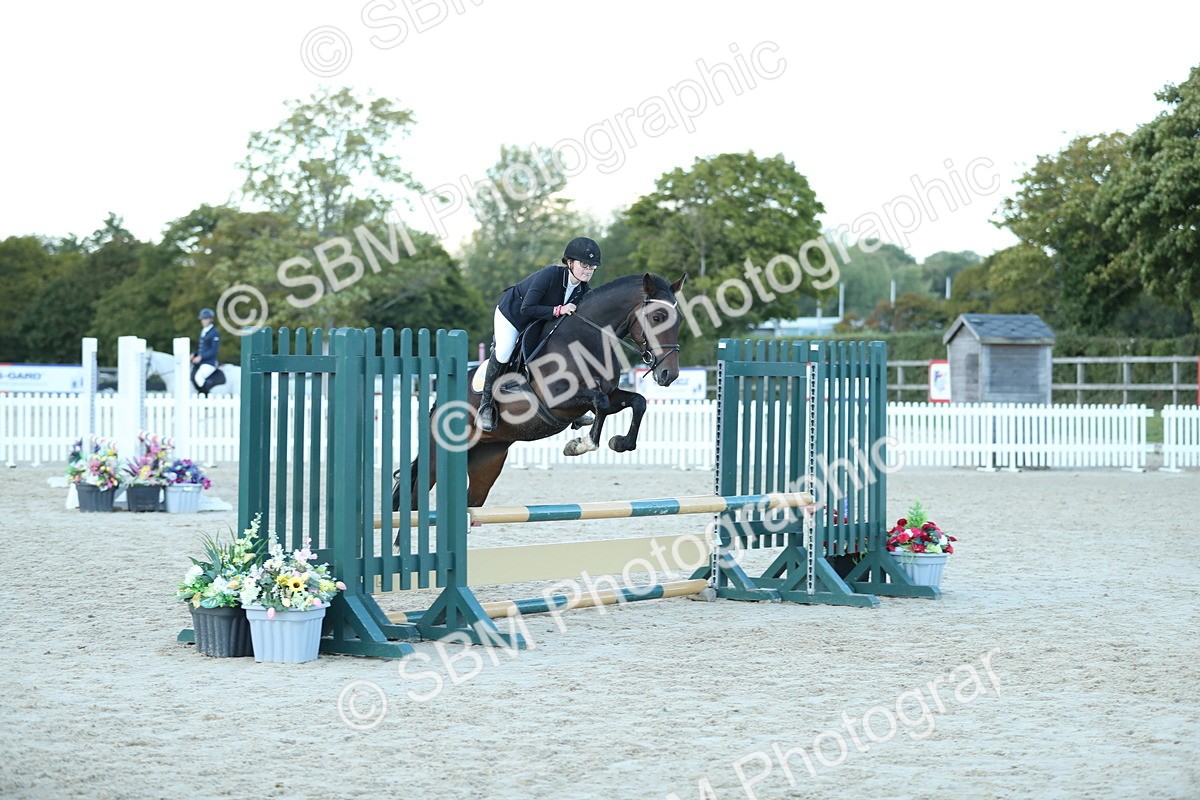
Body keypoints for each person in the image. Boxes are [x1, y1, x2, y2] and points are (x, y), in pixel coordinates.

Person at [478, 236, 601, 431]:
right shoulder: (550, 275)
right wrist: (559, 310)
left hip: (539, 322)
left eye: (592, 266)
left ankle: (571, 406)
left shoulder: (583, 291)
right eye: (584, 264)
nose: (588, 270)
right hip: (513, 315)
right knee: (504, 350)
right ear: (570, 262)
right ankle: (486, 404)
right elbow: (527, 308)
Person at [191, 308, 224, 396]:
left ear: (210, 319)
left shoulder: (214, 332)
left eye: (205, 319)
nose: (203, 321)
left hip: (209, 362)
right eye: (202, 319)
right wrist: (193, 355)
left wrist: (201, 357)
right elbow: (201, 348)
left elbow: (214, 350)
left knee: (198, 377)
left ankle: (206, 396)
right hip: (201, 362)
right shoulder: (203, 331)